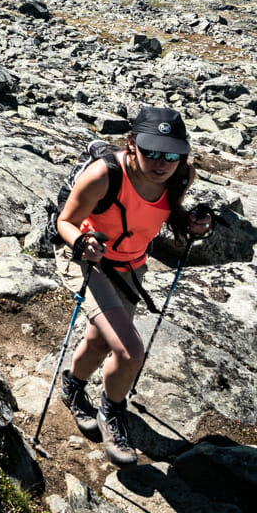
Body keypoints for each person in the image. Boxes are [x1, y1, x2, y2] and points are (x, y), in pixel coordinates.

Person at [53, 106, 210, 465]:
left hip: (131, 267)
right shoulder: (103, 176)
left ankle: (72, 388)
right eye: (151, 150)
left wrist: (192, 224)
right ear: (131, 143)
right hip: (88, 262)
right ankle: (112, 412)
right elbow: (66, 221)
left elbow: (167, 212)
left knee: (99, 338)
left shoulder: (180, 177)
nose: (161, 162)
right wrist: (82, 243)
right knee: (129, 351)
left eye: (171, 154)